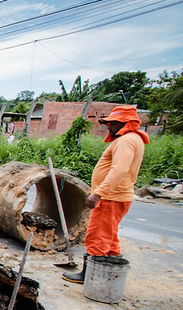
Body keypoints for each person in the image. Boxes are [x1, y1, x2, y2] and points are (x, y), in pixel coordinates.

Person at [62, 105, 149, 284]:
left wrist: (99, 193)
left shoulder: (126, 141)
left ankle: (90, 275)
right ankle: (112, 269)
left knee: (97, 236)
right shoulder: (133, 139)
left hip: (111, 197)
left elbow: (119, 170)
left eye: (113, 123)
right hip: (118, 196)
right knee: (110, 235)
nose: (108, 126)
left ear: (125, 123)